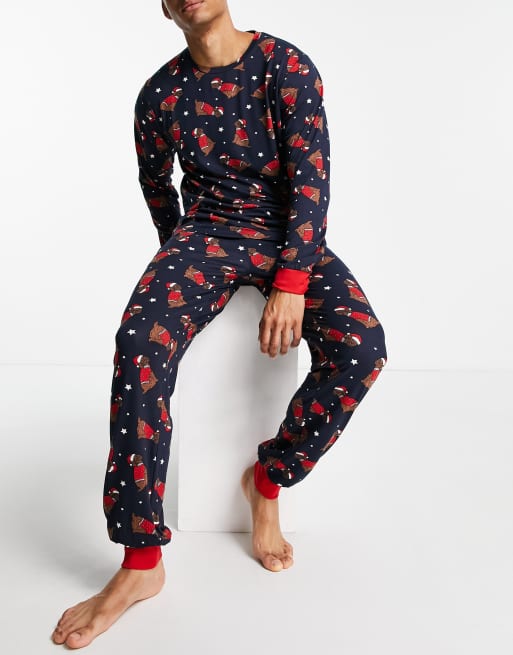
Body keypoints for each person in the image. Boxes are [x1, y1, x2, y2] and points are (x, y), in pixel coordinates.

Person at [52, 0, 387, 648]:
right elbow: (156, 184)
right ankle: (140, 562)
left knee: (362, 349)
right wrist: (180, 263)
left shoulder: (284, 66)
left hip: (286, 232)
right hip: (204, 233)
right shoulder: (160, 94)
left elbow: (311, 180)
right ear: (163, 7)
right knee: (138, 344)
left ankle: (268, 478)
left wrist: (291, 280)